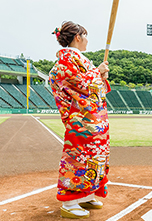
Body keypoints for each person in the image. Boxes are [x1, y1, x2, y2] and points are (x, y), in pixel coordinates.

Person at [49, 21, 111, 219]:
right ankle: (69, 202)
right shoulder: (66, 61)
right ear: (78, 37)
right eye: (85, 36)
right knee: (78, 159)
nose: (86, 40)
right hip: (81, 121)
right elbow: (76, 83)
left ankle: (87, 194)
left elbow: (96, 89)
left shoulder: (80, 60)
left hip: (93, 120)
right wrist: (96, 73)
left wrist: (101, 77)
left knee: (94, 159)